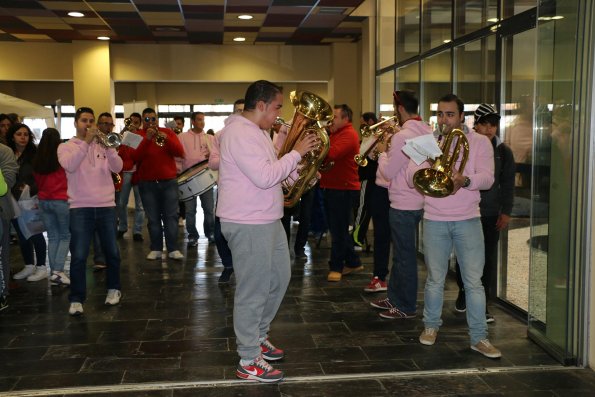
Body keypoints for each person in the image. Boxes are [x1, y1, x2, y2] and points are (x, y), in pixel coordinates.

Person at [217, 80, 318, 383]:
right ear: (260, 105)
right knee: (253, 289)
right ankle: (248, 359)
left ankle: (258, 336)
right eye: (277, 107)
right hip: (247, 222)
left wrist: (299, 172)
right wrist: (297, 153)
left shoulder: (258, 132)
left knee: (279, 278)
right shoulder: (238, 133)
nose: (280, 114)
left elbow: (271, 172)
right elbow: (263, 177)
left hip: (266, 219)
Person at [408, 94, 501, 358]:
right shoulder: (430, 142)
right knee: (435, 279)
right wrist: (419, 160)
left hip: (468, 218)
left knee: (474, 283)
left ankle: (479, 338)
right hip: (434, 218)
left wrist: (465, 179)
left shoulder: (480, 142)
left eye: (449, 114)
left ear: (462, 116)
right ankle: (430, 327)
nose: (444, 119)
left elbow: (488, 178)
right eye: (440, 114)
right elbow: (410, 178)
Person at [370, 90, 431, 316]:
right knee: (401, 255)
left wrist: (382, 152)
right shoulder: (425, 130)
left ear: (400, 108)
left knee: (404, 257)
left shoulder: (402, 136)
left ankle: (405, 305)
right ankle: (395, 298)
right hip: (418, 201)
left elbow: (388, 172)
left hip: (403, 203)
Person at [58, 107, 123, 316]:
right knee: (78, 255)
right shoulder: (66, 147)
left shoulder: (103, 145)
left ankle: (114, 289)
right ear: (76, 123)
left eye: (91, 121)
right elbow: (70, 165)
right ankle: (76, 299)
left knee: (112, 252)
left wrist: (109, 148)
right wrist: (86, 142)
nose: (88, 124)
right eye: (84, 120)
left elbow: (118, 167)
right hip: (80, 207)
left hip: (106, 206)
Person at [454, 104, 515, 323]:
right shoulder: (465, 146)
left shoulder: (503, 151)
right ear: (476, 125)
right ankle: (463, 293)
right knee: (465, 256)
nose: (490, 129)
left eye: (493, 125)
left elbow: (508, 184)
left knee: (487, 259)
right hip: (468, 211)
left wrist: (506, 211)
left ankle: (483, 306)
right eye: (485, 124)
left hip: (490, 214)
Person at [130, 108, 185, 260]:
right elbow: (135, 156)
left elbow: (180, 152)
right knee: (153, 218)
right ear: (142, 120)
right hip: (147, 183)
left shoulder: (167, 132)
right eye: (146, 119)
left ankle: (173, 249)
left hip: (168, 181)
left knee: (171, 216)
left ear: (157, 119)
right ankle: (156, 248)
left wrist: (166, 138)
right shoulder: (137, 135)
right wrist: (147, 139)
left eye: (153, 119)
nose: (150, 122)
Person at [320, 104, 362, 282]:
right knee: (338, 230)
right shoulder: (336, 133)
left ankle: (336, 266)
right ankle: (353, 261)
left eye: (335, 117)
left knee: (338, 231)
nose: (331, 120)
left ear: (345, 119)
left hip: (343, 190)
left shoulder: (348, 134)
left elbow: (331, 154)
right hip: (334, 187)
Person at [7, 123, 48, 282]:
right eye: (19, 134)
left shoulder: (35, 154)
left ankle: (42, 267)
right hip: (11, 199)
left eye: (25, 134)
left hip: (31, 199)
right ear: (12, 136)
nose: (23, 137)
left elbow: (43, 176)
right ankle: (29, 265)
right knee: (22, 234)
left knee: (35, 232)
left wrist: (32, 189)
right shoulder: (7, 153)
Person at [208, 99, 244, 283]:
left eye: (243, 111)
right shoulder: (220, 135)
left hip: (248, 194)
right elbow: (212, 163)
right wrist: (231, 154)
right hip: (226, 192)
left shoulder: (258, 134)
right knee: (219, 233)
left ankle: (244, 268)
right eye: (237, 110)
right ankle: (228, 265)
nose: (240, 114)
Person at [32, 128, 71, 286]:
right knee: (65, 236)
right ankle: (58, 271)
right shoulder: (61, 157)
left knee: (53, 237)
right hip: (61, 201)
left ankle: (55, 273)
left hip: (43, 202)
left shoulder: (37, 159)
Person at [176, 111, 216, 246]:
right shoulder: (181, 137)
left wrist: (211, 155)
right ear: (192, 121)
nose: (202, 122)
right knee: (190, 211)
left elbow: (216, 157)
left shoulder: (209, 138)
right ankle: (193, 236)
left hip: (206, 178)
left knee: (209, 210)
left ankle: (210, 233)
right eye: (199, 119)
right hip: (188, 179)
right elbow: (177, 158)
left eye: (203, 120)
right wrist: (179, 176)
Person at [352, 112, 378, 252]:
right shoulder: (369, 137)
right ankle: (358, 237)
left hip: (369, 177)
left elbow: (366, 155)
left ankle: (356, 239)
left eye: (363, 123)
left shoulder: (376, 137)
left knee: (362, 208)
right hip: (367, 177)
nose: (361, 126)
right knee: (365, 209)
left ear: (370, 121)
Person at [116, 113, 145, 242]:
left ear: (140, 124)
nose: (133, 124)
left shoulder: (143, 135)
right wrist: (123, 136)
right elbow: (117, 152)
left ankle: (137, 231)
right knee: (122, 203)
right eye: (131, 122)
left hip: (139, 172)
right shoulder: (122, 136)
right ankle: (122, 227)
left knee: (140, 205)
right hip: (126, 171)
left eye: (136, 122)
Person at [0, 141, 18, 310]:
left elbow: (6, 183)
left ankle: (2, 293)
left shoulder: (4, 151)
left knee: (1, 255)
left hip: (1, 210)